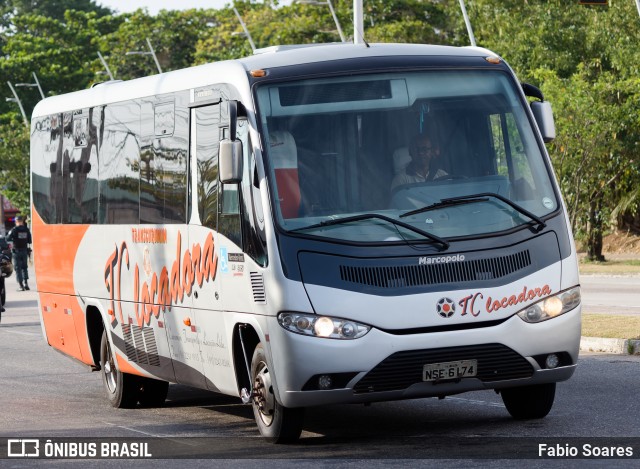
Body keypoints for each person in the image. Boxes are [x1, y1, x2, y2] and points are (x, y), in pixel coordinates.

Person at [7, 215, 32, 291]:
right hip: (24, 251)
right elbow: (29, 240)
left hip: (16, 251)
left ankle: (21, 286)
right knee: (24, 267)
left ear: (17, 222)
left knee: (18, 268)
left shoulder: (14, 229)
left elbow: (7, 238)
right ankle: (26, 284)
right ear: (22, 221)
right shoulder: (26, 229)